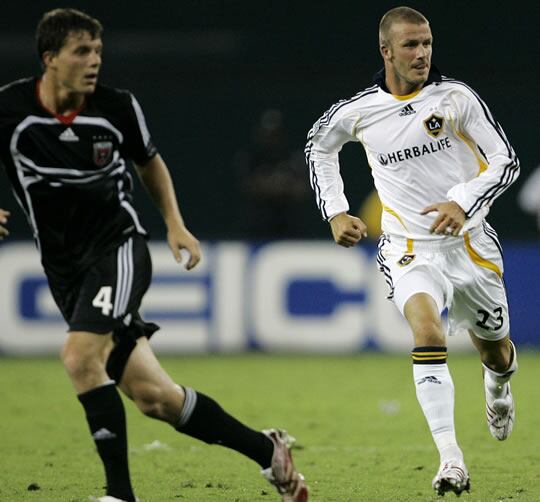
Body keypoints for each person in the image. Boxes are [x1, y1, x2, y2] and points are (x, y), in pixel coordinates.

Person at [0, 8, 308, 502]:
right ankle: (267, 451)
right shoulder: (11, 108)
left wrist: (174, 224)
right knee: (156, 398)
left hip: (117, 250)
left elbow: (150, 163)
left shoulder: (116, 107)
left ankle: (120, 495)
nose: (94, 60)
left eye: (98, 50)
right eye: (82, 51)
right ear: (50, 58)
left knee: (80, 357)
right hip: (64, 270)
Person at [305, 6, 519, 497]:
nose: (421, 53)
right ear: (386, 51)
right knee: (427, 331)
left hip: (471, 248)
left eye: (426, 43)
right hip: (407, 249)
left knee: (497, 352)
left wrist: (463, 202)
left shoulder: (457, 98)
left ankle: (500, 384)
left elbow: (505, 161)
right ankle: (451, 461)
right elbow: (320, 147)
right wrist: (335, 210)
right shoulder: (357, 111)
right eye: (410, 45)